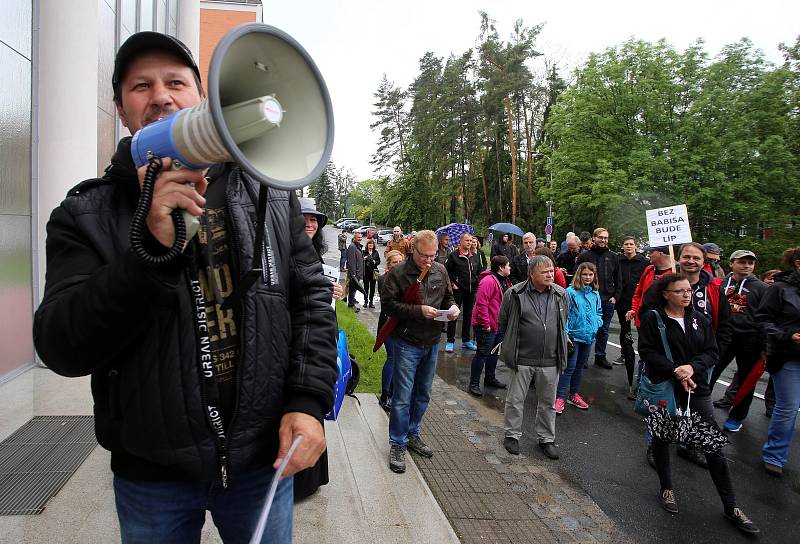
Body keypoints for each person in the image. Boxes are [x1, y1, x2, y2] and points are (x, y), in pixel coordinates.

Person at [31, 32, 338, 543]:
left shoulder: (268, 193)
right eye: (140, 86)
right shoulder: (84, 214)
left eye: (176, 82)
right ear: (121, 109)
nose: (160, 96)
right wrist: (147, 251)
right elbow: (62, 345)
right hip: (153, 475)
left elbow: (309, 301)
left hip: (262, 459)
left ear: (202, 96)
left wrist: (307, 401)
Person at [637, 274, 758, 534]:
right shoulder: (653, 319)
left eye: (688, 290)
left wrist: (691, 368)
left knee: (713, 447)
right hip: (666, 389)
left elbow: (712, 352)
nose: (686, 294)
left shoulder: (699, 320)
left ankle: (731, 506)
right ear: (666, 294)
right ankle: (666, 488)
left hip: (697, 390)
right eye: (679, 290)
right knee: (662, 438)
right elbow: (647, 351)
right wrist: (675, 371)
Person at [381, 230, 459, 473]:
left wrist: (453, 307)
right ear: (412, 249)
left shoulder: (440, 269)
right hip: (406, 341)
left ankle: (413, 433)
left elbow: (447, 296)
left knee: (423, 393)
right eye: (424, 255)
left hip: (432, 340)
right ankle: (397, 443)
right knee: (402, 397)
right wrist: (419, 311)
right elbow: (389, 306)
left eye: (433, 255)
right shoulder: (398, 273)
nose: (429, 260)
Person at [500, 256, 569, 460]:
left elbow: (563, 320)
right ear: (531, 274)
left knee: (548, 402)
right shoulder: (514, 293)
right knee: (515, 399)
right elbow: (503, 321)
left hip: (550, 359)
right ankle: (512, 435)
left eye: (551, 270)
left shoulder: (560, 293)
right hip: (521, 358)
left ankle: (546, 438)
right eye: (544, 271)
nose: (550, 274)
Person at [708, 250, 768, 432]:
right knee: (709, 372)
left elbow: (767, 318)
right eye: (742, 262)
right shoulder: (721, 284)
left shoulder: (762, 288)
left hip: (750, 340)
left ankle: (736, 417)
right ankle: (699, 409)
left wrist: (765, 347)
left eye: (750, 262)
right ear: (732, 263)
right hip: (723, 337)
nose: (747, 265)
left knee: (745, 381)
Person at [756, 247, 800, 478]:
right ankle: (774, 456)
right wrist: (789, 335)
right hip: (788, 357)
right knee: (788, 407)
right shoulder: (780, 290)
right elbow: (763, 320)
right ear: (798, 264)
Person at [555, 263, 603, 414]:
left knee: (580, 367)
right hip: (573, 336)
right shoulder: (570, 292)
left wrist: (597, 323)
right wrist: (566, 332)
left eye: (590, 275)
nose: (588, 277)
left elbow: (599, 312)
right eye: (584, 274)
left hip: (588, 336)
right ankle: (559, 397)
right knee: (569, 367)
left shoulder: (595, 293)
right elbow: (565, 314)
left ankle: (574, 394)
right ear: (579, 275)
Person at [576, 228, 621, 369]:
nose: (603, 240)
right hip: (587, 298)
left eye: (606, 238)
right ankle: (582, 358)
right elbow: (578, 275)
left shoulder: (613, 257)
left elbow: (619, 279)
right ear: (594, 238)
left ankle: (600, 356)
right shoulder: (585, 256)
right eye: (600, 237)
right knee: (585, 328)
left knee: (603, 330)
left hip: (607, 299)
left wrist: (616, 297)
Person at [468, 256, 512, 397]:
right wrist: (486, 324)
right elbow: (481, 304)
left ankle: (490, 378)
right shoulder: (488, 281)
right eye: (508, 265)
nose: (510, 268)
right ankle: (473, 383)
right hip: (486, 326)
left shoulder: (504, 280)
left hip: (498, 325)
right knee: (482, 354)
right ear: (501, 267)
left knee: (494, 353)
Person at [616, 237, 648, 388]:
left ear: (635, 246)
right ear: (623, 247)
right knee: (625, 329)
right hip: (623, 300)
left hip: (638, 300)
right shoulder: (619, 260)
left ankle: (644, 356)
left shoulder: (644, 262)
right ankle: (624, 353)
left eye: (631, 244)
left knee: (642, 329)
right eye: (626, 244)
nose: (628, 246)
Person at [377, 250, 406, 412]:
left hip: (403, 326)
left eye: (401, 261)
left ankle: (394, 393)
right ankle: (385, 395)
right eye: (395, 262)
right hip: (388, 325)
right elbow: (391, 302)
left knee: (401, 360)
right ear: (389, 265)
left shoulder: (407, 279)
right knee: (392, 357)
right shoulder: (383, 279)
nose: (398, 264)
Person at [445, 233, 480, 353]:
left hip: (471, 290)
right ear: (461, 241)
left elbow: (478, 271)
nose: (469, 242)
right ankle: (450, 341)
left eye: (471, 240)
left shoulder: (475, 256)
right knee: (454, 315)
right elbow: (446, 271)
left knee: (468, 316)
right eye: (467, 240)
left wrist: (477, 282)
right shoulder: (453, 256)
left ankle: (466, 340)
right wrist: (452, 282)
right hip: (458, 290)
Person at [346, 232, 365, 311]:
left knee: (354, 289)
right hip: (354, 273)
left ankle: (352, 302)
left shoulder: (358, 247)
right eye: (358, 237)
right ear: (354, 238)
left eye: (361, 237)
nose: (360, 239)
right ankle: (351, 304)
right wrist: (353, 274)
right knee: (352, 289)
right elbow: (351, 261)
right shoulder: (352, 246)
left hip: (358, 273)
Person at [362, 238, 381, 308]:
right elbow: (361, 260)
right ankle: (365, 301)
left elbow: (379, 261)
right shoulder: (364, 252)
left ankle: (371, 302)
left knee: (372, 287)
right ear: (367, 245)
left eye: (372, 244)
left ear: (373, 245)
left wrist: (374, 262)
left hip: (374, 272)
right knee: (366, 287)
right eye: (369, 244)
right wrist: (364, 259)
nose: (370, 245)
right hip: (366, 272)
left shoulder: (376, 252)